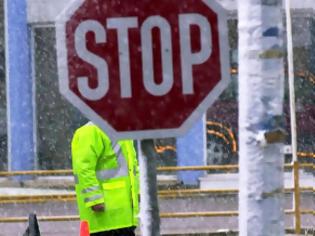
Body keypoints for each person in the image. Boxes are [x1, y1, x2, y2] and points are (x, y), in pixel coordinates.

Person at [71, 121, 140, 236]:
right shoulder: (91, 130)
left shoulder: (122, 129)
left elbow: (132, 167)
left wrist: (137, 192)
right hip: (103, 219)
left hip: (124, 218)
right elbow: (83, 169)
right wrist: (94, 199)